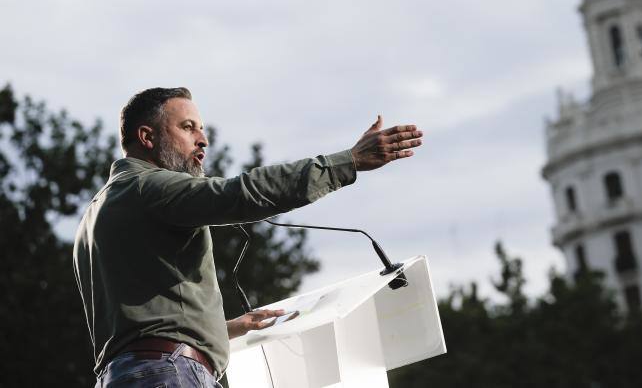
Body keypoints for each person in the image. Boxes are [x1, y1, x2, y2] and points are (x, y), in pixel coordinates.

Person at [73, 87, 423, 387]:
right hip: (170, 373)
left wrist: (221, 329)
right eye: (187, 127)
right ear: (147, 137)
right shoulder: (149, 187)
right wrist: (348, 162)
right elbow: (242, 192)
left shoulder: (96, 214)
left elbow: (142, 329)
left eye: (201, 128)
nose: (203, 140)